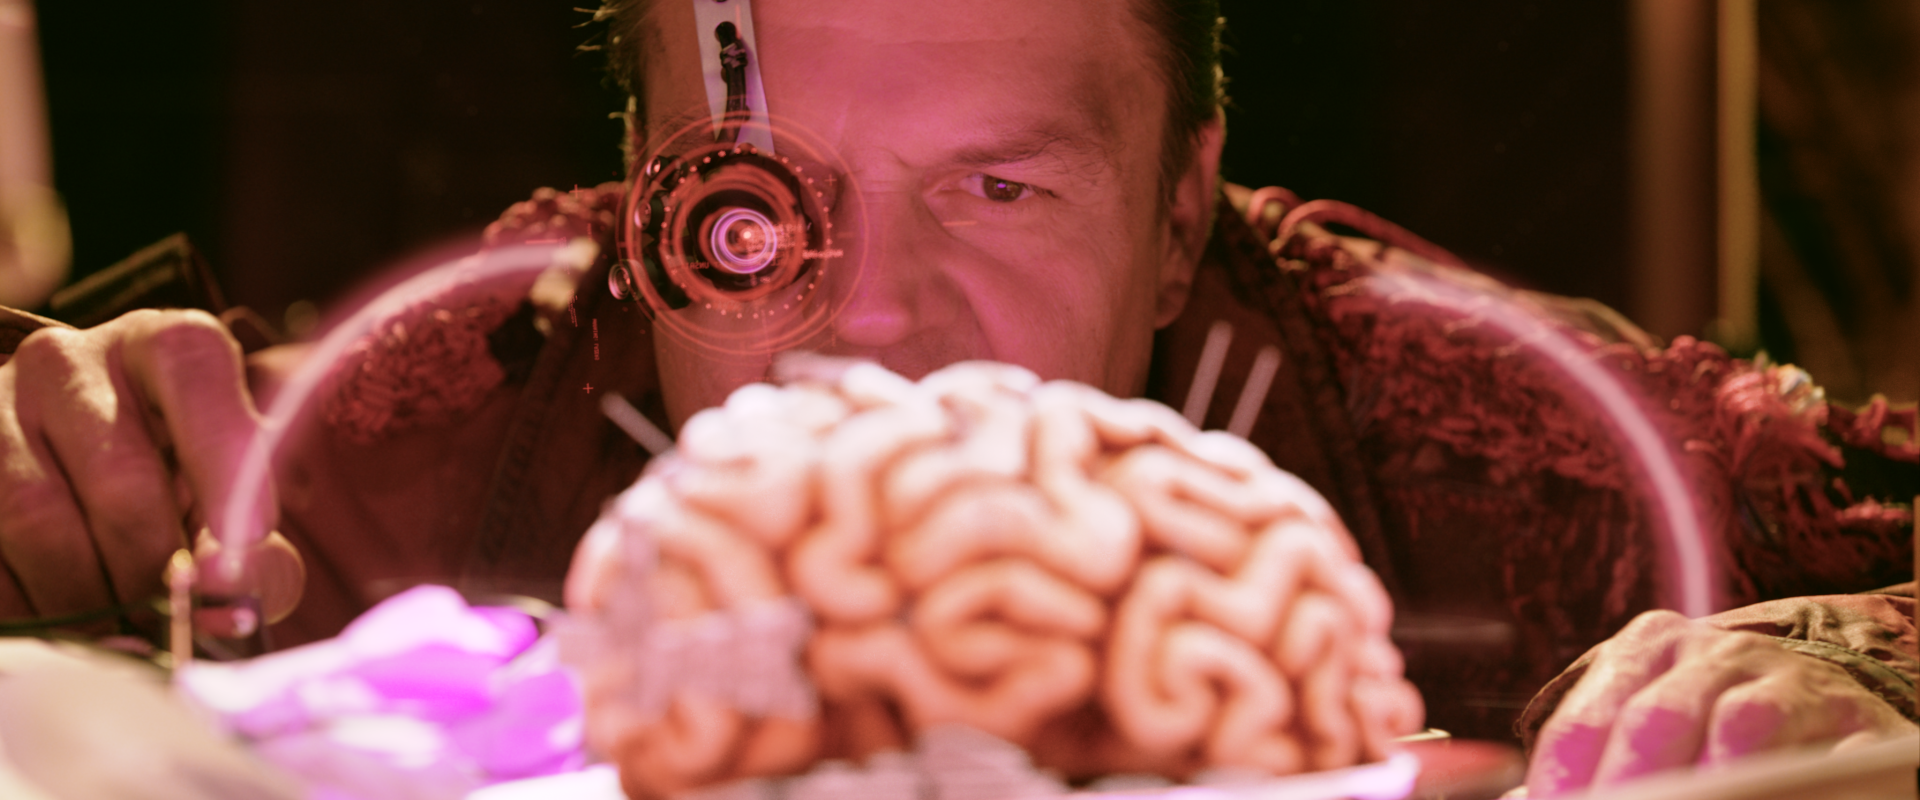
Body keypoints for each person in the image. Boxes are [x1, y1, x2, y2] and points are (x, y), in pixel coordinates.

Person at [0, 0, 1911, 794]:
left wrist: (1849, 655)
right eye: (756, 211)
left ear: (1183, 216)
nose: (873, 314)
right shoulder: (451, 398)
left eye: (1000, 190)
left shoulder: (1490, 424)